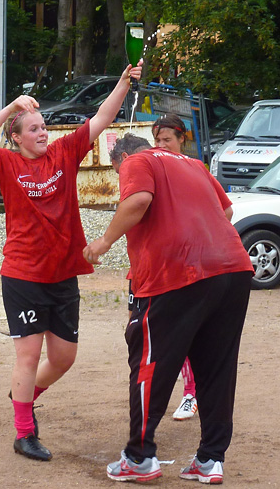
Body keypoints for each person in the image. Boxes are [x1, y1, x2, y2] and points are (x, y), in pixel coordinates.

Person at [0, 60, 143, 462]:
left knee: (63, 358)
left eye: (44, 126)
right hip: (23, 274)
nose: (42, 132)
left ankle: (22, 396)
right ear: (16, 138)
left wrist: (121, 83)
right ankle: (24, 432)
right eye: (33, 129)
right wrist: (13, 107)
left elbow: (102, 118)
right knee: (28, 356)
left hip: (63, 273)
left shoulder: (64, 152)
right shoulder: (7, 163)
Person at [83, 129, 253, 484]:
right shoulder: (191, 163)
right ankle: (210, 459)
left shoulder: (137, 161)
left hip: (178, 272)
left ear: (121, 159)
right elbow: (226, 209)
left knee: (150, 363)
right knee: (217, 366)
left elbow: (138, 200)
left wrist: (104, 240)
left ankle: (139, 457)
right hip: (232, 268)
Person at [110, 129, 198, 422]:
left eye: (166, 141)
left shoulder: (172, 171)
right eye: (157, 141)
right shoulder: (148, 173)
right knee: (137, 333)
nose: (161, 147)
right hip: (142, 272)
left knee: (178, 333)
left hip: (173, 271)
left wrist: (103, 241)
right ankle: (147, 396)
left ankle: (190, 393)